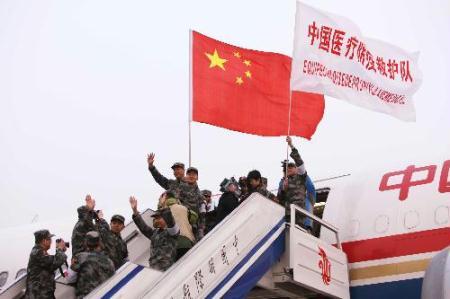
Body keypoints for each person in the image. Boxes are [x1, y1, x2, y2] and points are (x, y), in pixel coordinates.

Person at [129, 196, 179, 271]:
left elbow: (170, 220)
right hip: (154, 268)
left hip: (167, 267)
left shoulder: (172, 231)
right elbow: (143, 228)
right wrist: (135, 211)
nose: (156, 220)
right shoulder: (155, 233)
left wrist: (164, 206)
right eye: (155, 219)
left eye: (158, 218)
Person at [25, 230, 67, 299]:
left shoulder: (39, 251)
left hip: (43, 293)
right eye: (50, 239)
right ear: (44, 241)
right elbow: (56, 262)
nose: (51, 242)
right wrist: (60, 249)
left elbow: (52, 264)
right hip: (38, 295)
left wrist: (60, 251)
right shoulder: (37, 252)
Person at [72, 231, 115, 298]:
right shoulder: (108, 260)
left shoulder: (79, 258)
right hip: (107, 294)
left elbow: (70, 278)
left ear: (86, 243)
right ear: (99, 243)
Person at [277, 136, 308, 226]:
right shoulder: (284, 181)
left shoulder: (301, 176)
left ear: (296, 168)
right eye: (287, 168)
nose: (289, 169)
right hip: (287, 215)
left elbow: (299, 162)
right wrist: (283, 189)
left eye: (291, 167)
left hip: (298, 215)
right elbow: (279, 200)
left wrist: (291, 145)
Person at [159, 191, 196, 260]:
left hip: (170, 246)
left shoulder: (161, 212)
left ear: (165, 198)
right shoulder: (184, 208)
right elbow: (194, 218)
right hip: (186, 242)